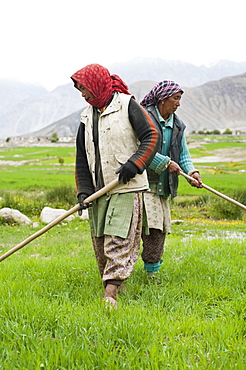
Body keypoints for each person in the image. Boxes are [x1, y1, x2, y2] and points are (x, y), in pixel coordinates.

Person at [71, 64, 160, 308]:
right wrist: (83, 191)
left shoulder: (127, 104)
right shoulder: (86, 116)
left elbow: (152, 136)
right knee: (100, 243)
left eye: (84, 88)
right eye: (80, 90)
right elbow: (82, 156)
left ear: (97, 84)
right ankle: (114, 283)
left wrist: (135, 163)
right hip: (100, 190)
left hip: (125, 186)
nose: (82, 94)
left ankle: (110, 294)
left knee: (118, 238)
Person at [140, 80, 203, 277]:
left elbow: (183, 154)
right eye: (176, 98)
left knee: (157, 232)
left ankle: (152, 274)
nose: (178, 103)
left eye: (180, 99)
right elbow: (137, 148)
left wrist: (192, 173)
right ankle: (119, 274)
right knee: (139, 230)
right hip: (141, 185)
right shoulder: (144, 118)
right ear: (162, 99)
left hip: (163, 187)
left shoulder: (177, 125)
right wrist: (166, 163)